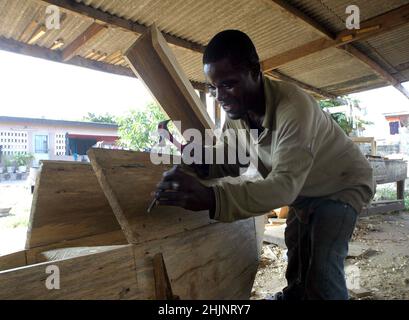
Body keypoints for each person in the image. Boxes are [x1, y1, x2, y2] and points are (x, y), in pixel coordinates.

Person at [154, 30, 375, 300]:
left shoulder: (293, 107)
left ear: (255, 70)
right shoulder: (237, 112)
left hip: (342, 185)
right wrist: (196, 164)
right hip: (305, 188)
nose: (220, 97)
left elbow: (283, 187)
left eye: (229, 84)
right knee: (297, 255)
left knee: (322, 270)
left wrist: (212, 198)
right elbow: (231, 157)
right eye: (214, 87)